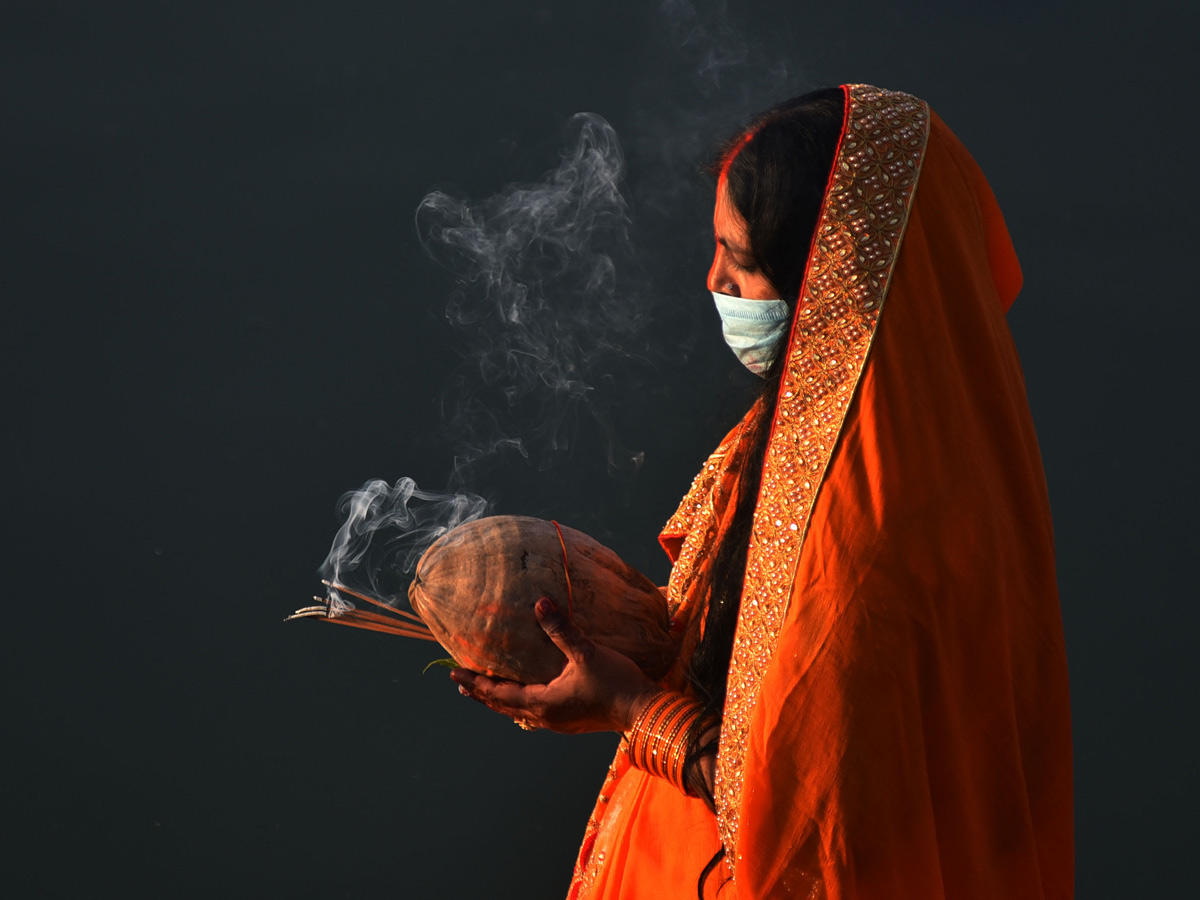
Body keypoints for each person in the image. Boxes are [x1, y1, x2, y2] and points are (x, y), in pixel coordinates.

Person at [450, 84, 1074, 899]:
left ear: (832, 291)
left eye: (740, 263)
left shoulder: (870, 531)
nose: (713, 281)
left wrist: (633, 709)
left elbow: (814, 828)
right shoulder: (897, 435)